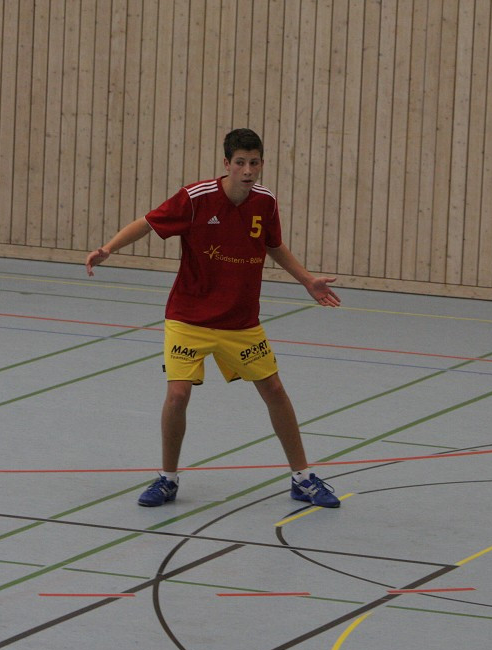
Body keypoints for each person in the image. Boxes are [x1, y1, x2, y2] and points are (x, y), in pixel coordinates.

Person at [85, 128, 342, 509]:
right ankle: (167, 479)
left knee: (274, 391)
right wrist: (108, 248)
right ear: (227, 164)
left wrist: (306, 280)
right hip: (189, 317)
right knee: (177, 394)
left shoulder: (266, 203)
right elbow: (148, 222)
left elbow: (272, 244)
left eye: (254, 163)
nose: (248, 170)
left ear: (262, 163)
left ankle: (302, 478)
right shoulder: (196, 197)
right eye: (240, 163)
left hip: (240, 321)